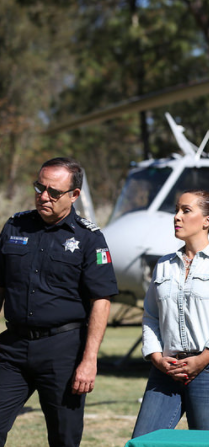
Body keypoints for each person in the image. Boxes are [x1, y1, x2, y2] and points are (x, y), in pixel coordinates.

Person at [0, 157, 118, 447]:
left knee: (64, 438)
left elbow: (101, 300)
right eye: (40, 187)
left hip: (62, 351)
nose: (43, 196)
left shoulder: (89, 238)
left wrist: (89, 361)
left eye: (54, 192)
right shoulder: (16, 226)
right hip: (12, 347)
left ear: (74, 195)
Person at [132, 189, 209, 438]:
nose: (177, 216)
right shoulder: (163, 264)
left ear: (207, 220)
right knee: (143, 442)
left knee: (206, 445)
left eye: (186, 210)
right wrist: (156, 358)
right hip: (166, 370)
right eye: (176, 210)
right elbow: (151, 316)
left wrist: (202, 359)